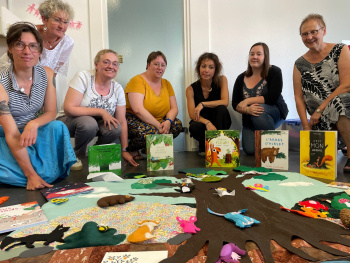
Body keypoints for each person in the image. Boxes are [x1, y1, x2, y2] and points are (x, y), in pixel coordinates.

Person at [0, 22, 76, 190]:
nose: (27, 52)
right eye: (20, 44)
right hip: (7, 135)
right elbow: (12, 134)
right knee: (29, 175)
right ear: (10, 49)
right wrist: (31, 175)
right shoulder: (1, 82)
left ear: (40, 51)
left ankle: (38, 174)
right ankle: (30, 175)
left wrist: (33, 124)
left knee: (57, 126)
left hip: (32, 130)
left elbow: (50, 112)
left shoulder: (47, 74)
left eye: (33, 46)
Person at [57, 49, 139, 169]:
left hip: (95, 124)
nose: (111, 66)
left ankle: (96, 154)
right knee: (89, 123)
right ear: (96, 65)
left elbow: (121, 121)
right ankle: (77, 155)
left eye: (115, 64)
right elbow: (69, 108)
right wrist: (101, 111)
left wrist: (124, 150)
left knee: (116, 127)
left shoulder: (117, 89)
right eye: (106, 62)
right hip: (68, 121)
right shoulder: (83, 77)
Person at [293, 14, 350, 173]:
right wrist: (305, 126)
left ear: (324, 31)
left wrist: (320, 109)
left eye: (313, 31)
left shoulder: (340, 50)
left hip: (342, 109)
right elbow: (298, 97)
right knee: (319, 167)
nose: (309, 37)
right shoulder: (299, 64)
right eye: (304, 34)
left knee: (340, 102)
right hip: (319, 120)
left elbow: (347, 85)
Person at [125, 51, 182, 159]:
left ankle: (148, 148)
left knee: (177, 125)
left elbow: (174, 108)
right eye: (156, 64)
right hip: (134, 119)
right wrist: (158, 126)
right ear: (148, 65)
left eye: (163, 65)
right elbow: (138, 109)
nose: (160, 67)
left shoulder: (166, 83)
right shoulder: (137, 81)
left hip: (158, 120)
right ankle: (131, 149)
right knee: (150, 131)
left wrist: (168, 121)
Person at [232, 42, 285, 156]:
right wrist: (247, 110)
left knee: (258, 111)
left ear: (265, 56)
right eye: (252, 54)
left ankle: (274, 149)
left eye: (259, 54)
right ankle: (262, 140)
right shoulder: (241, 78)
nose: (254, 57)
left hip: (273, 113)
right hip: (249, 119)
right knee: (250, 150)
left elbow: (272, 97)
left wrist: (247, 101)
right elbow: (235, 103)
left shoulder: (275, 71)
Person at [0, 0, 74, 77]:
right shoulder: (30, 31)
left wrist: (47, 85)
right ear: (44, 19)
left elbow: (54, 72)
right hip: (10, 72)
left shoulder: (67, 43)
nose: (62, 26)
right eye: (57, 20)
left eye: (65, 22)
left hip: (38, 81)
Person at [186, 52, 231, 155]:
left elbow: (225, 102)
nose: (206, 70)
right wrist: (207, 122)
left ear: (216, 70)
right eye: (203, 66)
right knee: (194, 126)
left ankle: (220, 145)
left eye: (211, 67)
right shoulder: (190, 89)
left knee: (221, 109)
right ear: (199, 68)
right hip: (203, 123)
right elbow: (193, 115)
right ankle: (204, 145)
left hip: (219, 120)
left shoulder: (222, 80)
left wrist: (203, 104)